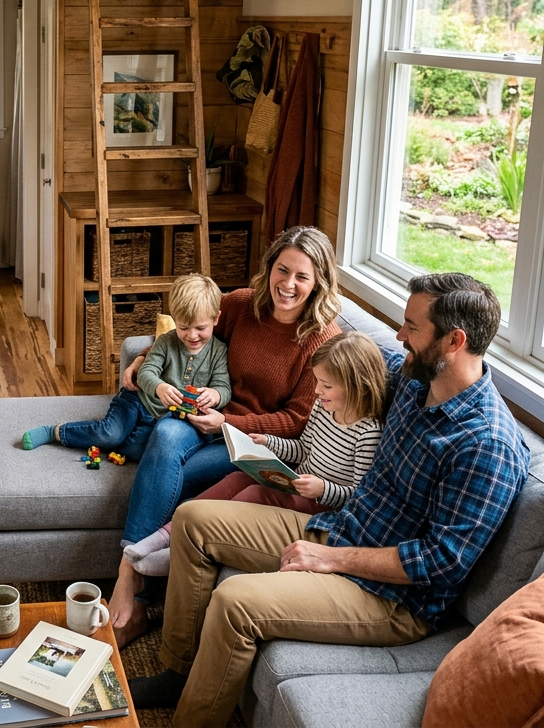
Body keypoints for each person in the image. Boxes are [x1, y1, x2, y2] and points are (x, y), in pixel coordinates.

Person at [130, 273, 531, 728]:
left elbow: (440, 562)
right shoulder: (413, 380)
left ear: (455, 340)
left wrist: (332, 559)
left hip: (393, 598)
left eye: (412, 328)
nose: (399, 336)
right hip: (344, 527)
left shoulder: (485, 443)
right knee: (193, 520)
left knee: (234, 601)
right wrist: (146, 365)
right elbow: (339, 359)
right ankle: (178, 670)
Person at [110, 225, 342, 643]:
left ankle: (138, 597)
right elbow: (183, 337)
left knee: (173, 472)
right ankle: (129, 569)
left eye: (302, 277)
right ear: (269, 267)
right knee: (164, 433)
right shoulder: (237, 306)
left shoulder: (322, 340)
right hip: (198, 421)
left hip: (251, 443)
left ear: (319, 282)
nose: (288, 284)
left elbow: (297, 421)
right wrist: (142, 361)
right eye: (282, 269)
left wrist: (229, 423)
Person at [124, 330, 386, 576]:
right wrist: (268, 442)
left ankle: (181, 549)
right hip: (299, 483)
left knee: (254, 493)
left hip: (322, 504)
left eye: (326, 385)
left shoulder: (367, 433)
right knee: (236, 480)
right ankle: (163, 535)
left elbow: (358, 495)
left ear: (357, 386)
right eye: (317, 382)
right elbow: (304, 448)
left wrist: (322, 489)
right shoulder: (323, 408)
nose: (317, 391)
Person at [22, 275, 230, 462]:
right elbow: (147, 371)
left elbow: (224, 387)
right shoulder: (166, 342)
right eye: (183, 327)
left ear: (216, 319)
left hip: (163, 417)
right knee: (110, 434)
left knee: (136, 451)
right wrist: (159, 387)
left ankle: (106, 434)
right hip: (138, 399)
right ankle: (56, 432)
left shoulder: (219, 351)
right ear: (175, 320)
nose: (192, 336)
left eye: (201, 328)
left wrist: (215, 394)